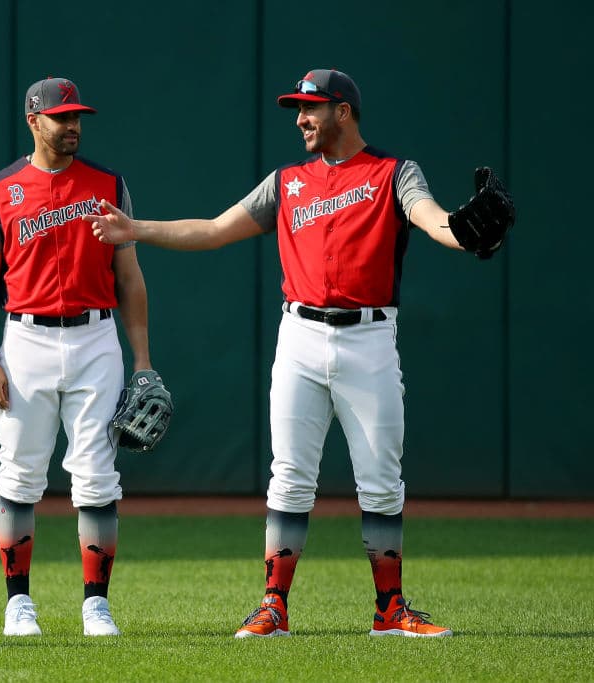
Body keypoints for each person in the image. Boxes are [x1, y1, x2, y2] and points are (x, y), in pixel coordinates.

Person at [85, 68, 503, 638]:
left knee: (381, 479)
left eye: (311, 108)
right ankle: (273, 606)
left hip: (369, 338)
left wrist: (464, 232)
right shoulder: (287, 182)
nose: (301, 119)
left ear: (343, 112)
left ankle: (389, 610)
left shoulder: (394, 173)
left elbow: (434, 221)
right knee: (289, 478)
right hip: (300, 337)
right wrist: (136, 228)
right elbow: (214, 229)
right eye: (298, 109)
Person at [0, 77, 153, 637]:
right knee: (20, 473)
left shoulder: (108, 184)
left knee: (97, 476)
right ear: (33, 121)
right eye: (61, 117)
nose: (72, 125)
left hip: (96, 338)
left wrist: (142, 360)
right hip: (26, 340)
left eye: (77, 117)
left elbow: (129, 278)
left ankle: (96, 604)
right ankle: (18, 603)